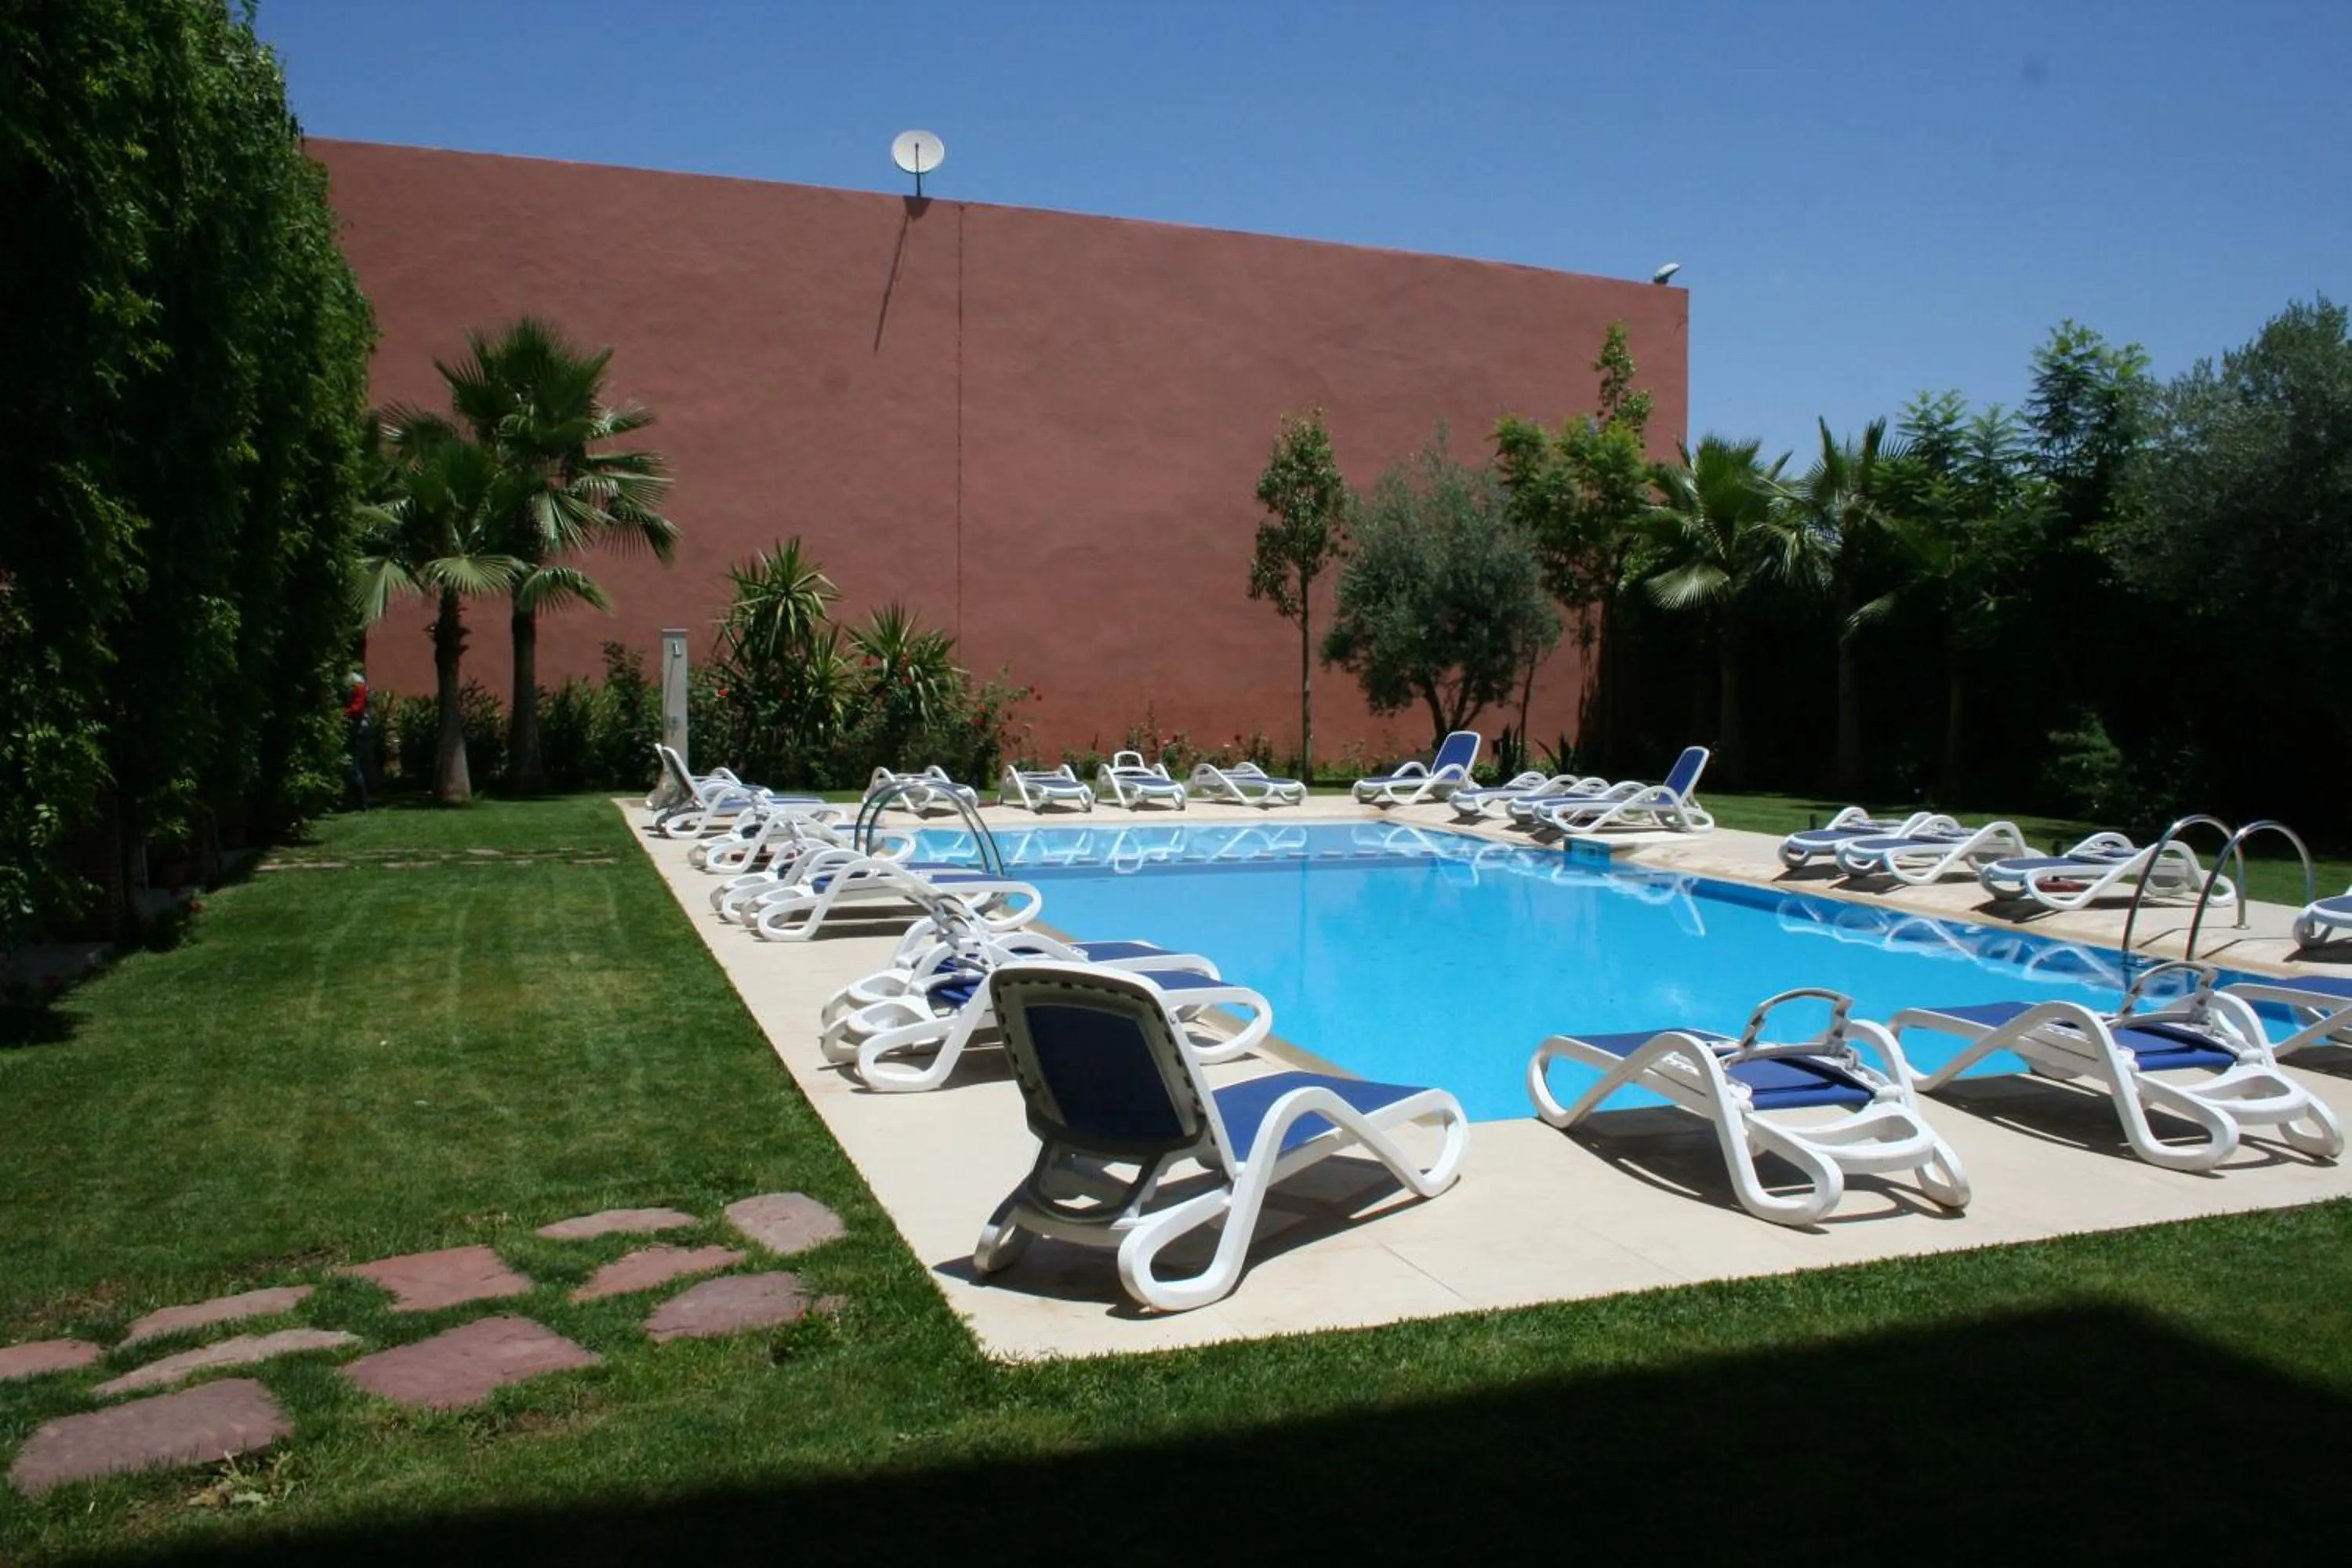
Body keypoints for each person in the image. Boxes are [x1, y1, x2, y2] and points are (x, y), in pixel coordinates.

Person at [343, 670, 372, 811]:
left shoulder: (357, 685)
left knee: (354, 766)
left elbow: (357, 708)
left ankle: (362, 802)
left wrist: (341, 714)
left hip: (359, 727)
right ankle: (359, 801)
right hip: (361, 726)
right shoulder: (358, 684)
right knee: (356, 765)